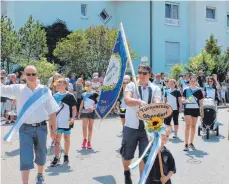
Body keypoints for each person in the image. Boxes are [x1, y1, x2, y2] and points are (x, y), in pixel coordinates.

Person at [1, 65, 59, 184]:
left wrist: (54, 130)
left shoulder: (44, 90)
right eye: (28, 74)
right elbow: (2, 89)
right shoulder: (18, 88)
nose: (31, 77)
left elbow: (52, 111)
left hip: (41, 127)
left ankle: (39, 175)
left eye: (33, 74)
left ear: (37, 75)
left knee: (41, 155)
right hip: (25, 128)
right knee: (25, 157)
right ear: (24, 75)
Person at [120, 64, 161, 184]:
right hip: (131, 126)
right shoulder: (131, 86)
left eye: (144, 73)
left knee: (144, 156)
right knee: (127, 156)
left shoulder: (155, 88)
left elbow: (157, 103)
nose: (141, 75)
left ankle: (141, 181)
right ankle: (126, 172)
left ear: (150, 75)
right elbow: (127, 100)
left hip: (147, 128)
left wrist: (153, 107)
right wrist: (139, 101)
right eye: (140, 72)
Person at [51, 78, 77, 167]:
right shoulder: (54, 96)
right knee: (57, 140)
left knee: (66, 139)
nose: (58, 86)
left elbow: (74, 109)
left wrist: (73, 118)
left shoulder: (70, 96)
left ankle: (66, 155)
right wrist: (52, 123)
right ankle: (56, 157)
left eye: (60, 84)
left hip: (68, 121)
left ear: (65, 85)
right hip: (57, 122)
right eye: (57, 84)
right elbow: (52, 111)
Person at [182, 76, 204, 151]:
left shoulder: (199, 90)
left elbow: (201, 102)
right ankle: (186, 144)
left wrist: (202, 111)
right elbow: (183, 98)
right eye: (192, 81)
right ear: (190, 81)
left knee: (193, 126)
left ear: (196, 81)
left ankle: (191, 143)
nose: (193, 82)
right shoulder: (186, 89)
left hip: (195, 109)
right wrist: (183, 101)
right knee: (187, 125)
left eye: (194, 81)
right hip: (187, 109)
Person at [78, 81, 99, 149]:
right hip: (84, 111)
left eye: (88, 85)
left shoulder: (95, 94)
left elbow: (98, 103)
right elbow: (81, 104)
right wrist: (79, 113)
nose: (87, 86)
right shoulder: (83, 94)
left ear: (91, 85)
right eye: (86, 85)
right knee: (84, 127)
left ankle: (89, 142)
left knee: (90, 127)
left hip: (92, 112)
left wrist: (93, 107)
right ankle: (84, 141)